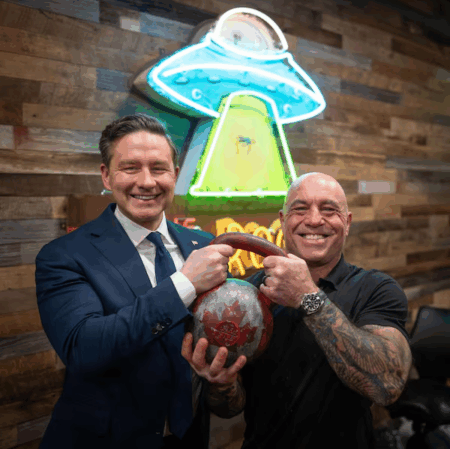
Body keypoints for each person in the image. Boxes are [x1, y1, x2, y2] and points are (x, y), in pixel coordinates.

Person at [35, 114, 245, 449]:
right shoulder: (64, 255)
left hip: (189, 436)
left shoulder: (203, 245)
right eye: (130, 168)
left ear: (175, 175)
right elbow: (84, 348)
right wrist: (184, 283)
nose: (146, 182)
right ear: (107, 175)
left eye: (159, 168)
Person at [183, 172, 412, 448]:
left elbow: (388, 386)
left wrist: (307, 298)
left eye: (329, 210)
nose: (314, 220)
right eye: (300, 209)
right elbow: (230, 408)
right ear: (283, 220)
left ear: (347, 222)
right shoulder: (247, 296)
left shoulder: (376, 288)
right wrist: (222, 385)